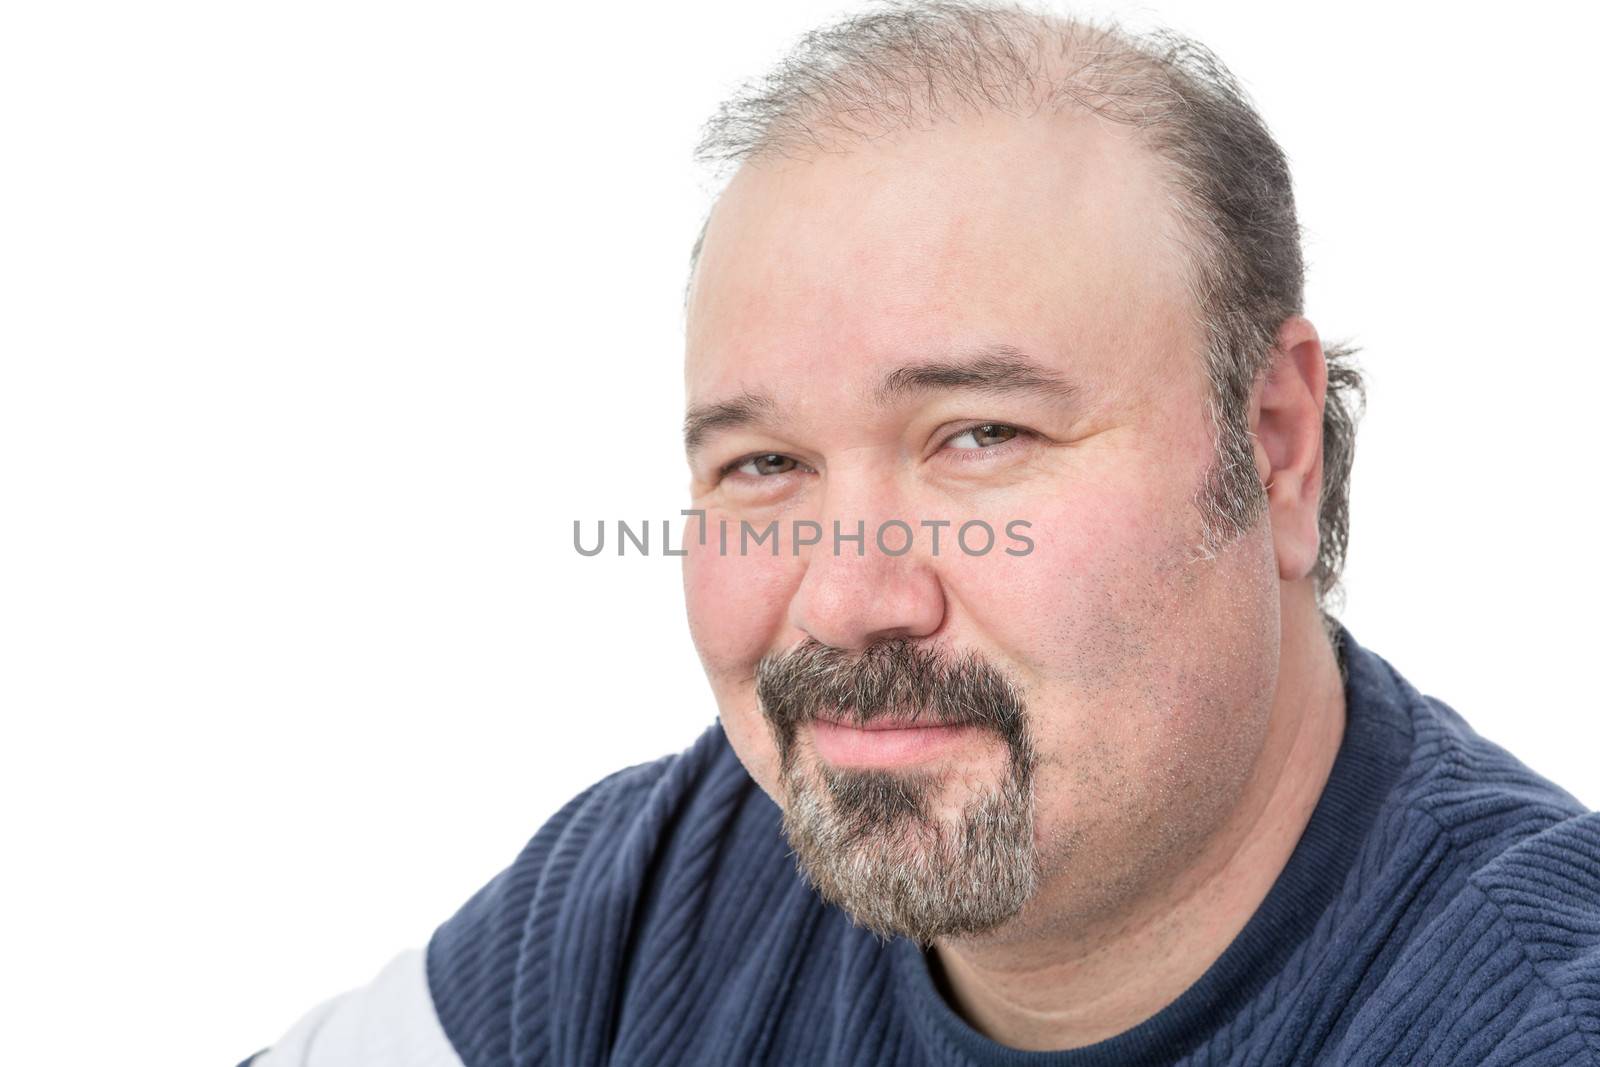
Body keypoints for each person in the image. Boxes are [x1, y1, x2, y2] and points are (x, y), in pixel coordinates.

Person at [240, 2, 1600, 1064]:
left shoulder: (1538, 1019)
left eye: (981, 437)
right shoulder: (654, 903)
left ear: (1277, 448)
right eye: (763, 463)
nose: (848, 598)